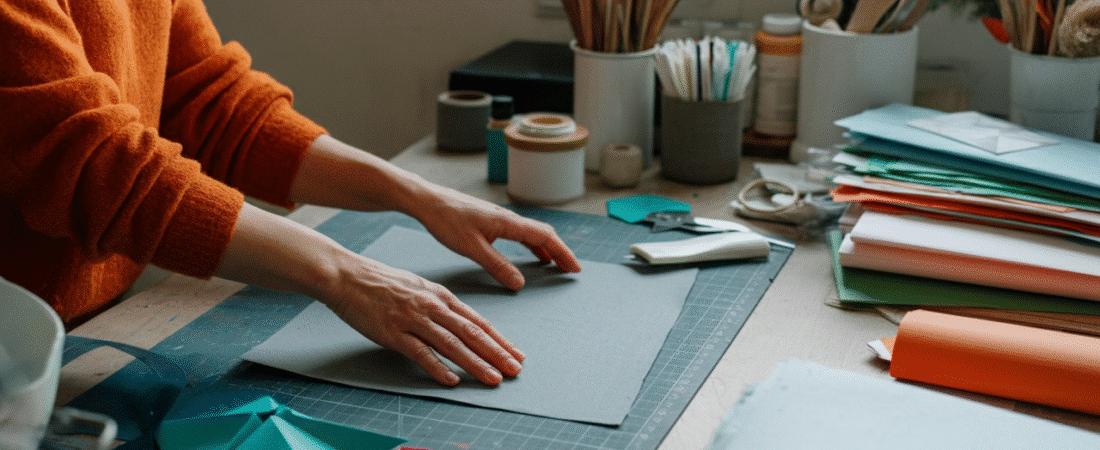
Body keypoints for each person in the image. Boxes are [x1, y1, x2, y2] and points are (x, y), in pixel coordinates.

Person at [0, 0, 582, 387]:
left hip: (92, 329)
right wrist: (343, 273)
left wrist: (415, 193)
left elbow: (209, 101)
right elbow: (97, 166)